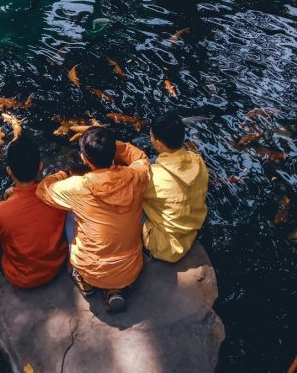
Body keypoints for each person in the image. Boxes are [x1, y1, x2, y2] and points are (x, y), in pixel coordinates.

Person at [36, 126, 150, 313]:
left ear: (83, 158)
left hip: (91, 269)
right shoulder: (136, 176)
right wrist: (110, 143)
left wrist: (64, 174)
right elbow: (139, 158)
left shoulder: (77, 187)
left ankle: (82, 279)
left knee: (69, 212)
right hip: (130, 269)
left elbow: (43, 191)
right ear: (113, 154)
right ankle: (114, 290)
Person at [0, 134, 68, 288]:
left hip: (23, 278)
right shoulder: (57, 191)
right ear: (40, 165)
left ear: (9, 171)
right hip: (58, 264)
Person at [142, 111, 209, 262]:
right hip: (191, 231)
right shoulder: (197, 160)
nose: (150, 138)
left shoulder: (153, 177)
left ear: (158, 143)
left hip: (166, 247)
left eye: (151, 136)